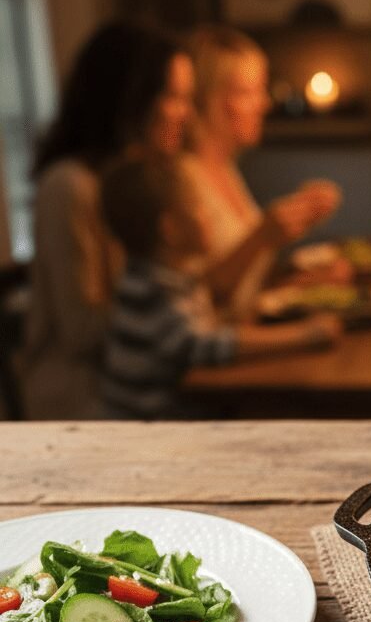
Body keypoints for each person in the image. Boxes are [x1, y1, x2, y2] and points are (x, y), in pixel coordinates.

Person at [21, 22, 193, 419]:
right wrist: (170, 296)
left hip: (138, 378)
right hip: (85, 400)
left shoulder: (142, 178)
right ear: (130, 99)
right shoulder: (70, 186)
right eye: (174, 97)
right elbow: (81, 333)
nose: (187, 115)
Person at [98, 154, 341, 420]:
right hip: (149, 438)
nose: (210, 216)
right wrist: (303, 335)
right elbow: (203, 348)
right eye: (199, 207)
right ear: (171, 229)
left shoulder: (168, 278)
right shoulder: (150, 292)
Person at [183, 25, 345, 318]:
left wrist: (304, 280)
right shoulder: (184, 179)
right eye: (249, 92)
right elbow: (195, 298)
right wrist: (262, 236)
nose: (264, 104)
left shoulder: (225, 169)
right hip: (219, 357)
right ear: (210, 99)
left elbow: (248, 290)